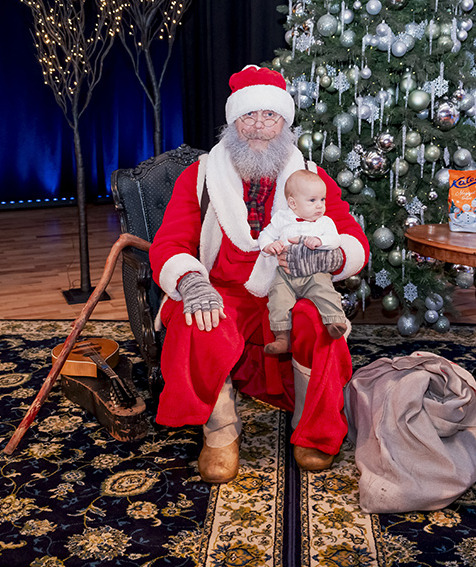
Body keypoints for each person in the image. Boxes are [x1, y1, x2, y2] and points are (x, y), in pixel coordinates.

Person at [149, 65, 369, 483]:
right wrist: (191, 281)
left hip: (288, 287)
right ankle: (220, 433)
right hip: (222, 289)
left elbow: (352, 238)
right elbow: (170, 242)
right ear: (233, 122)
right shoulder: (200, 176)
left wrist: (327, 260)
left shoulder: (310, 177)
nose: (259, 126)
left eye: (270, 115)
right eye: (248, 115)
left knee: (320, 322)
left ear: (285, 123)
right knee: (199, 318)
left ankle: (312, 430)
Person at [257, 169, 348, 355]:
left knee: (325, 290)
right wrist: (268, 245)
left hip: (314, 273)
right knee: (277, 296)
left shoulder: (324, 222)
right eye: (312, 200)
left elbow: (335, 240)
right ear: (292, 203)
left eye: (322, 199)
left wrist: (320, 241)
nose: (320, 205)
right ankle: (281, 337)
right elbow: (265, 234)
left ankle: (334, 321)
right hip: (286, 274)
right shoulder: (282, 218)